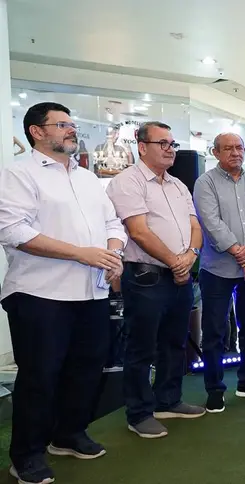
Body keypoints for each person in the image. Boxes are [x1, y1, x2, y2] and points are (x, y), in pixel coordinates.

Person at [0, 102, 126, 484]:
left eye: (72, 124)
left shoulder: (87, 178)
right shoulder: (18, 174)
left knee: (86, 369)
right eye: (62, 124)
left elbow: (113, 222)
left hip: (91, 293)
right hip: (40, 294)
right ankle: (26, 455)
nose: (72, 129)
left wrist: (114, 253)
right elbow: (13, 231)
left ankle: (69, 434)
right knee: (39, 377)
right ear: (37, 132)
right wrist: (81, 253)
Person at [106, 121, 206, 440]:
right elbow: (138, 231)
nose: (170, 149)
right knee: (141, 348)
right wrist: (176, 261)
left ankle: (168, 400)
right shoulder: (127, 182)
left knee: (174, 343)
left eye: (172, 144)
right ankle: (139, 413)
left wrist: (190, 256)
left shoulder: (178, 185)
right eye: (162, 143)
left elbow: (195, 226)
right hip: (146, 277)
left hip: (181, 275)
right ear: (142, 146)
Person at [193, 132, 245, 412]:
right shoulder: (205, 183)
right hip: (217, 270)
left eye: (240, 147)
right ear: (215, 153)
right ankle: (215, 389)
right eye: (228, 148)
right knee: (215, 332)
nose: (236, 153)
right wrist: (241, 254)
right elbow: (211, 223)